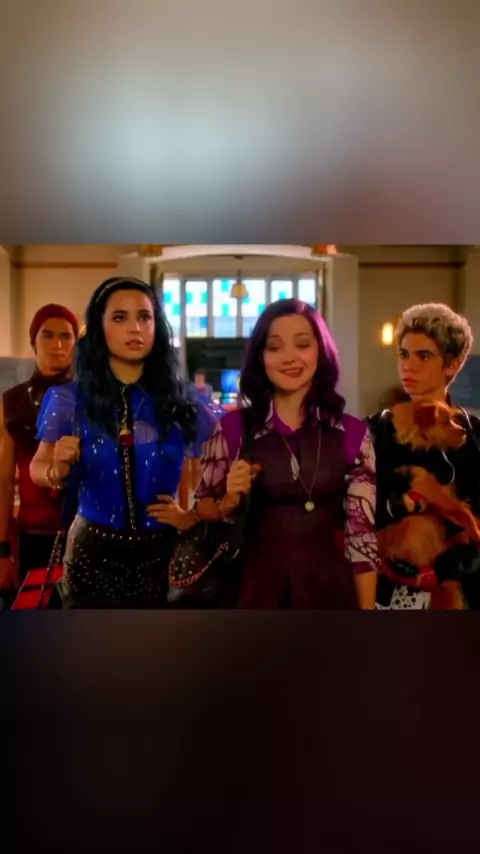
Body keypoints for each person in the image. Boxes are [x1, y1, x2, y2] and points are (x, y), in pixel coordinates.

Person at [30, 277, 218, 608]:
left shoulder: (182, 402)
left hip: (164, 558)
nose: (135, 328)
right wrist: (55, 470)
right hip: (91, 557)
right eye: (120, 317)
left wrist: (194, 515)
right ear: (99, 328)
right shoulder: (68, 400)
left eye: (144, 317)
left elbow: (229, 459)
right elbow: (37, 467)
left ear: (156, 327)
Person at [192, 298, 380, 609]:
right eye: (275, 347)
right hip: (253, 591)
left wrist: (368, 619)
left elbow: (362, 539)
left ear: (320, 351)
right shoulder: (233, 429)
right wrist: (229, 500)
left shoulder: (352, 434)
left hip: (329, 592)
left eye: (302, 344)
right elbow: (201, 508)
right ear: (261, 357)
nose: (289, 357)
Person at [367, 303, 480, 609]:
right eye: (403, 354)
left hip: (464, 590)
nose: (409, 366)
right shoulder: (374, 430)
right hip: (387, 590)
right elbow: (355, 513)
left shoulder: (475, 435)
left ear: (453, 365)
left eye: (424, 356)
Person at [0, 304, 78, 603]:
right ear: (34, 342)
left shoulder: (88, 398)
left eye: (66, 336)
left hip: (85, 530)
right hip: (33, 531)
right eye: (48, 335)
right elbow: (4, 480)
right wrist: (3, 551)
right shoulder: (12, 401)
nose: (57, 344)